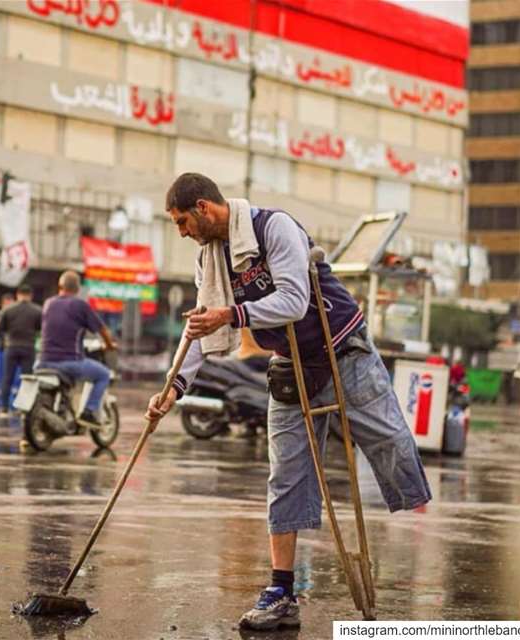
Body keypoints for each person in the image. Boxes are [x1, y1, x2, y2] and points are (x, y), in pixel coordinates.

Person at [146, 173, 432, 631]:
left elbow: (295, 301)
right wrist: (173, 389)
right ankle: (281, 589)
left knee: (394, 444)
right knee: (286, 476)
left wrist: (234, 314)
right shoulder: (210, 260)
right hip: (291, 365)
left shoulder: (273, 228)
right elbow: (201, 327)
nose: (181, 232)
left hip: (344, 348)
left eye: (182, 221)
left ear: (203, 208)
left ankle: (420, 523)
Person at [37, 270, 117, 426]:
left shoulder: (48, 303)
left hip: (43, 361)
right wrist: (109, 345)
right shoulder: (80, 305)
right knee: (103, 374)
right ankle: (89, 411)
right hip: (68, 362)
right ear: (78, 289)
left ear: (60, 285)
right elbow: (102, 330)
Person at [0, 284, 42, 419]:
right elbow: (40, 329)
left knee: (7, 378)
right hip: (28, 347)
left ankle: (4, 409)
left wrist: (5, 341)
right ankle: (24, 409)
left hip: (11, 346)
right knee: (27, 379)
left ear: (17, 294)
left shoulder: (8, 310)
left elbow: (1, 329)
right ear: (31, 295)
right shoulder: (37, 311)